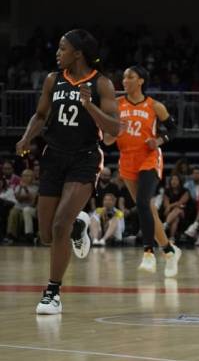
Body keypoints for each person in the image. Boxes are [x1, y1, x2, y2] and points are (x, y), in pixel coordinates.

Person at [15, 29, 121, 314]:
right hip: (53, 157)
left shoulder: (102, 84)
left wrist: (89, 106)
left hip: (84, 158)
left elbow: (114, 128)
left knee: (60, 224)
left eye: (63, 49)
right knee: (48, 234)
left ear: (78, 53)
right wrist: (26, 138)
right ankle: (79, 225)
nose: (57, 53)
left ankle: (53, 291)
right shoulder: (53, 79)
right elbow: (40, 116)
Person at [103, 66, 181, 277]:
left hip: (149, 158)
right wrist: (117, 129)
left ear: (141, 81)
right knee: (148, 210)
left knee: (143, 202)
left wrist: (159, 140)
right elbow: (107, 140)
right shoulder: (116, 106)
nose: (125, 80)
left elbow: (174, 129)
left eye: (131, 77)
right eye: (124, 76)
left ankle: (148, 253)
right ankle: (169, 251)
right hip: (127, 160)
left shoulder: (154, 106)